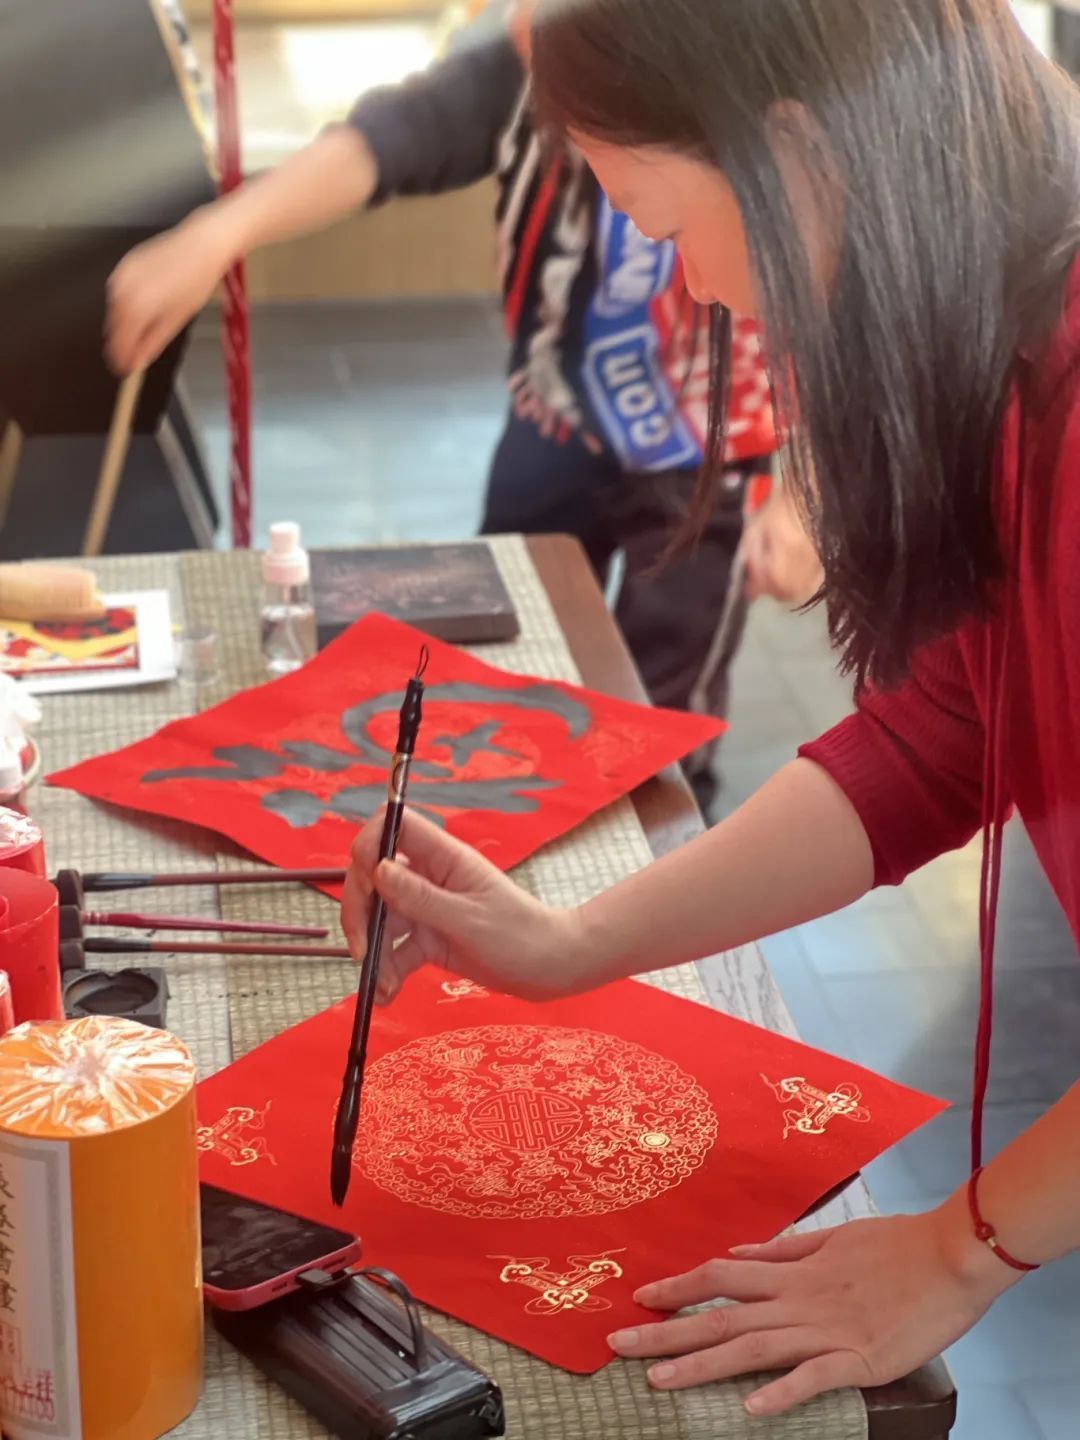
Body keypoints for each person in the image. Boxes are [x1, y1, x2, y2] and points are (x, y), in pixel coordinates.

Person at [342, 0, 1080, 1419]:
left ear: (798, 155)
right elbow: (944, 732)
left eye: (668, 226)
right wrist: (569, 946)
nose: (699, 293)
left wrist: (957, 1248)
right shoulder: (1006, 338)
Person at [105, 1, 820, 818]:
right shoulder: (527, 57)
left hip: (715, 450)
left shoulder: (742, 105)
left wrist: (803, 497)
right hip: (552, 417)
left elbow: (834, 300)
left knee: (664, 731)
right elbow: (395, 134)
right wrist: (218, 232)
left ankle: (658, 870)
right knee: (501, 668)